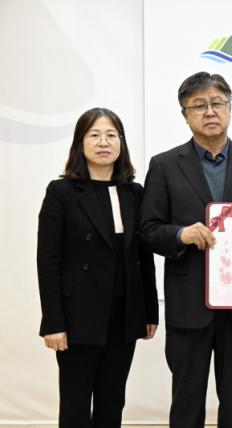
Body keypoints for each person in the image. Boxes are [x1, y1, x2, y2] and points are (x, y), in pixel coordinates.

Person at [140, 72, 232, 428]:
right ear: (185, 115)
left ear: (230, 108)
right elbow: (147, 232)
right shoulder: (165, 165)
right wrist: (181, 235)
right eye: (199, 105)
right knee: (186, 402)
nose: (209, 112)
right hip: (188, 304)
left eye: (217, 103)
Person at [37, 107, 159, 427]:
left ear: (121, 143)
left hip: (124, 314)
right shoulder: (61, 192)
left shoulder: (135, 192)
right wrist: (53, 322)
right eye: (94, 135)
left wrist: (149, 312)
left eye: (111, 135)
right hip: (77, 315)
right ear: (80, 143)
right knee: (75, 405)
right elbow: (48, 261)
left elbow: (144, 258)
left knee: (112, 402)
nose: (103, 142)